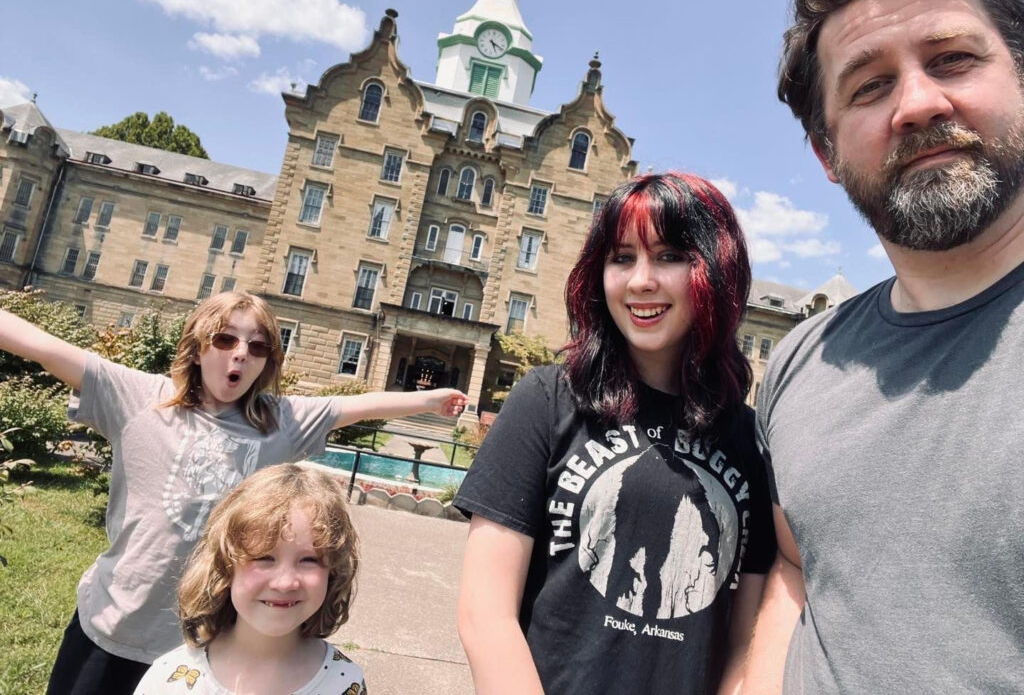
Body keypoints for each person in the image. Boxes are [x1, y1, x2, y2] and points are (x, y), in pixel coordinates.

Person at [742, 0, 1024, 693]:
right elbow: (799, 569)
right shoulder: (802, 358)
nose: (919, 103)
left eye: (954, 60)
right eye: (868, 86)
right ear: (826, 156)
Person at [0, 290, 465, 695]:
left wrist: (429, 400)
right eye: (226, 339)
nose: (241, 353)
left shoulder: (278, 421)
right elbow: (44, 346)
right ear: (198, 347)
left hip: (205, 648)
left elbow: (351, 407)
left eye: (257, 346)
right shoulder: (141, 397)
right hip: (112, 627)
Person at [455, 172, 776, 695]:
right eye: (622, 257)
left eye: (670, 256)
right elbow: (485, 613)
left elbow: (748, 643)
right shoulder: (547, 400)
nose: (640, 281)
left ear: (717, 272)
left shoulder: (749, 441)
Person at [132, 463, 364, 695]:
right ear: (224, 566)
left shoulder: (344, 683)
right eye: (263, 557)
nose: (285, 583)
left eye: (309, 560)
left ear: (333, 573)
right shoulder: (169, 681)